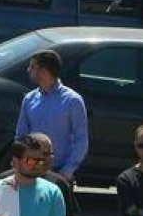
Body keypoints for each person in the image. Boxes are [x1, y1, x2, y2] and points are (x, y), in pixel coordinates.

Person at [15, 49, 89, 180]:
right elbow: (21, 135)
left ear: (43, 71)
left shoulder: (72, 100)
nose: (28, 70)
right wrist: (18, 162)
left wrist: (66, 171)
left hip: (59, 170)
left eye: (32, 67)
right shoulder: (29, 99)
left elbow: (81, 140)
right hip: (31, 169)